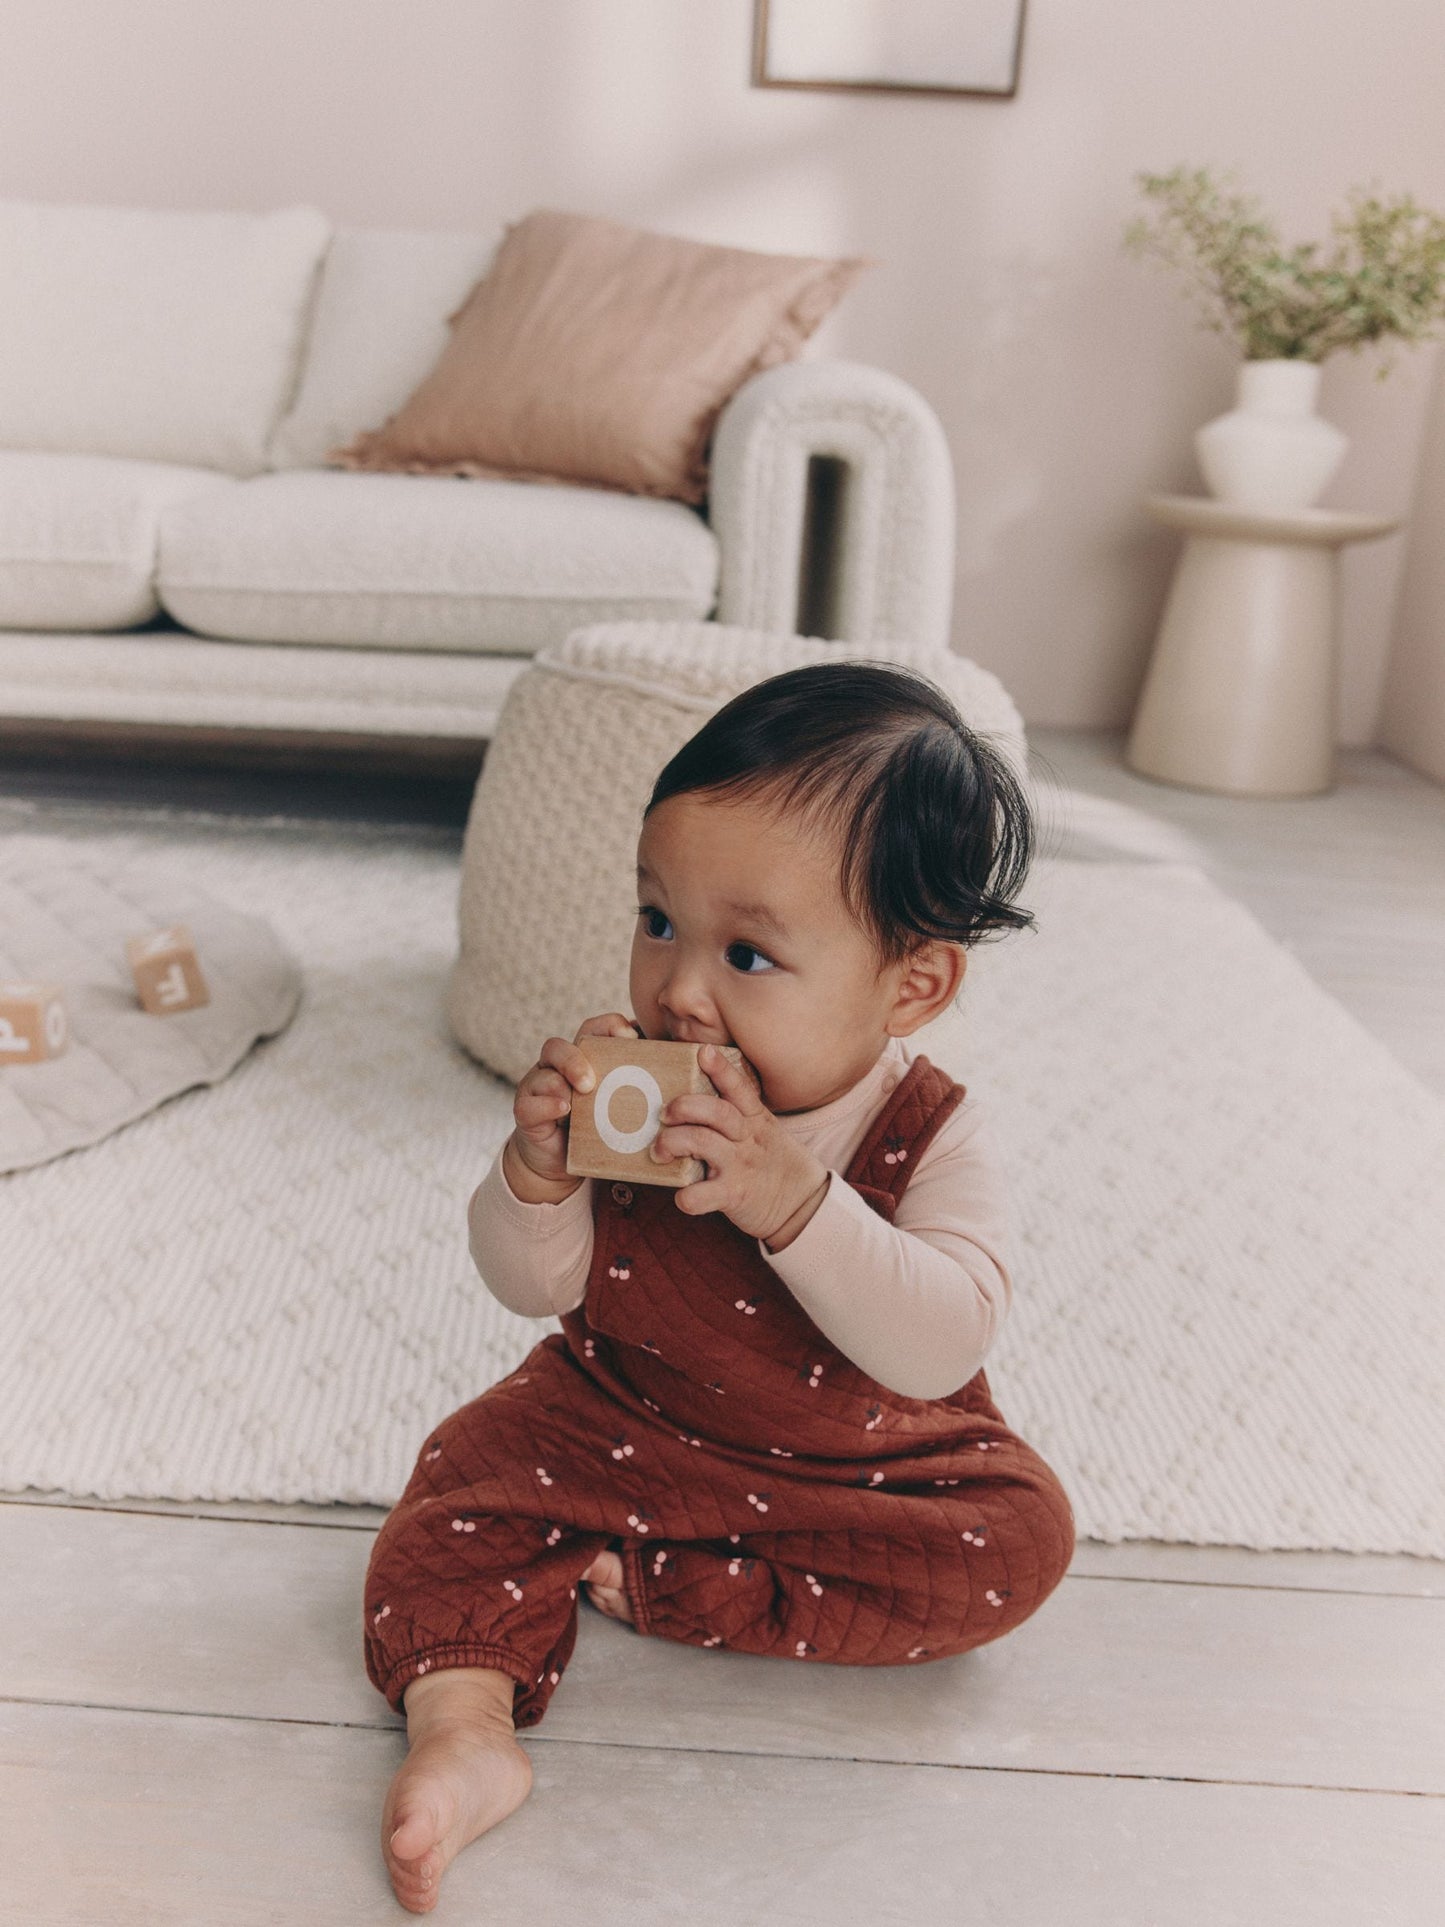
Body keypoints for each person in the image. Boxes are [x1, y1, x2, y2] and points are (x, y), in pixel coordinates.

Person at [364, 661, 1075, 1913]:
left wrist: (792, 1197)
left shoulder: (929, 1133)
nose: (679, 989)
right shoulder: (633, 1098)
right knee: (450, 1492)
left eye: (745, 952)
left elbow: (937, 1340)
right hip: (616, 1415)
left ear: (910, 983)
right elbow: (535, 1290)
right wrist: (533, 1175)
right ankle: (465, 1725)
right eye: (657, 924)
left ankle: (674, 1586)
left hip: (856, 1462)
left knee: (1017, 1543)